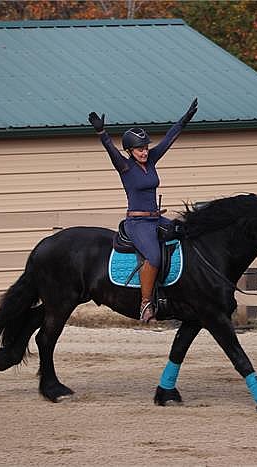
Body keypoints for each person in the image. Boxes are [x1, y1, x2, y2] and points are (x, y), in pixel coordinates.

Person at [88, 98, 198, 322]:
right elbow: (111, 150)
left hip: (157, 219)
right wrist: (102, 133)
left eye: (146, 147)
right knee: (154, 256)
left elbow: (169, 139)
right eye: (139, 149)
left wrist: (184, 120)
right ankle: (145, 303)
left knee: (187, 234)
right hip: (138, 224)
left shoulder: (152, 161)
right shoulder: (125, 166)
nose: (145, 151)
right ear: (129, 150)